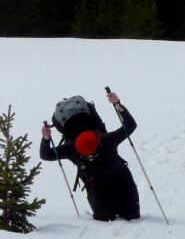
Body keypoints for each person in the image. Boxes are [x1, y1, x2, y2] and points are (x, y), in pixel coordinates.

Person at [40, 90, 141, 221]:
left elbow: (130, 126)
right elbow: (46, 155)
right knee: (105, 217)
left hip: (122, 179)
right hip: (97, 186)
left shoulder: (108, 141)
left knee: (132, 216)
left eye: (93, 155)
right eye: (86, 157)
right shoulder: (72, 148)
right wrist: (46, 138)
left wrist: (118, 105)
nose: (91, 159)